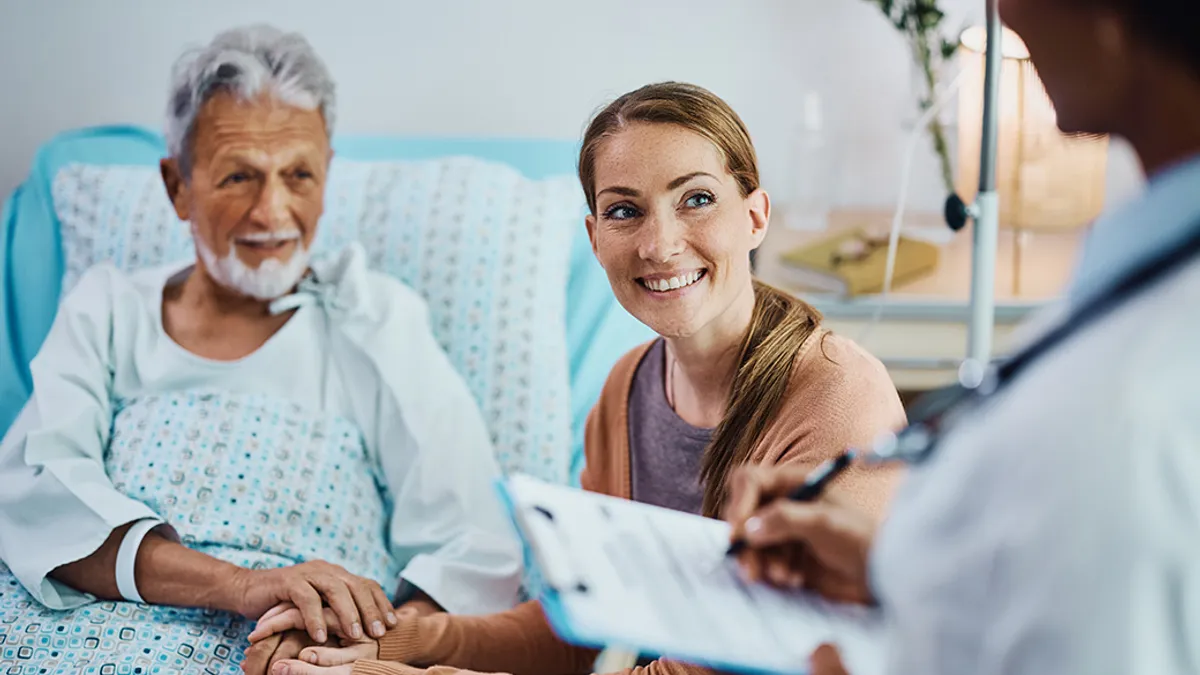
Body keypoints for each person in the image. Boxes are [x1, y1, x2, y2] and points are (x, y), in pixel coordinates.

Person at [251, 82, 907, 675]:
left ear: (756, 215)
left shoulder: (838, 396)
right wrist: (397, 641)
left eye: (696, 199)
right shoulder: (625, 392)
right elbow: (585, 632)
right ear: (594, 238)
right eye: (626, 211)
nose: (659, 243)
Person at [0, 24, 523, 674]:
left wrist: (364, 645)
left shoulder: (376, 317)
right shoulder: (109, 309)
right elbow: (35, 495)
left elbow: (474, 543)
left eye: (298, 174)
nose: (271, 211)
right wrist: (242, 584)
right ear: (176, 187)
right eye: (239, 176)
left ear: (328, 174)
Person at [723, 1, 1200, 673]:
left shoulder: (1126, 424)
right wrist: (903, 568)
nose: (1001, 13)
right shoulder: (1149, 288)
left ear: (1112, 19)